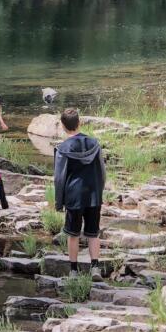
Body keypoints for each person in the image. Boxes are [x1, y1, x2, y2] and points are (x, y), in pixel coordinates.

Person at [53, 108, 106, 274]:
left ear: (63, 126)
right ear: (79, 123)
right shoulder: (95, 144)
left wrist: (58, 202)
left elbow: (59, 178)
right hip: (94, 194)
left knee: (73, 234)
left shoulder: (62, 148)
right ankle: (95, 268)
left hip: (74, 195)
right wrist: (99, 191)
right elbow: (102, 171)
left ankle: (74, 270)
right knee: (93, 232)